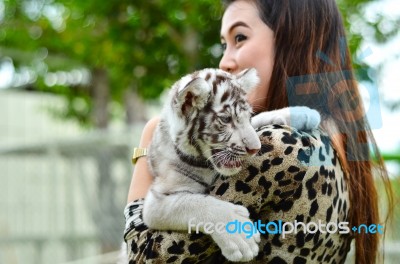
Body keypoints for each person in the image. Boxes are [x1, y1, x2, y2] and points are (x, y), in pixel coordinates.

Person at [124, 0, 393, 263]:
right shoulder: (329, 145)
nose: (224, 63)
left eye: (239, 37)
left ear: (294, 39)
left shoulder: (276, 148)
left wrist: (149, 143)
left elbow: (144, 255)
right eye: (223, 44)